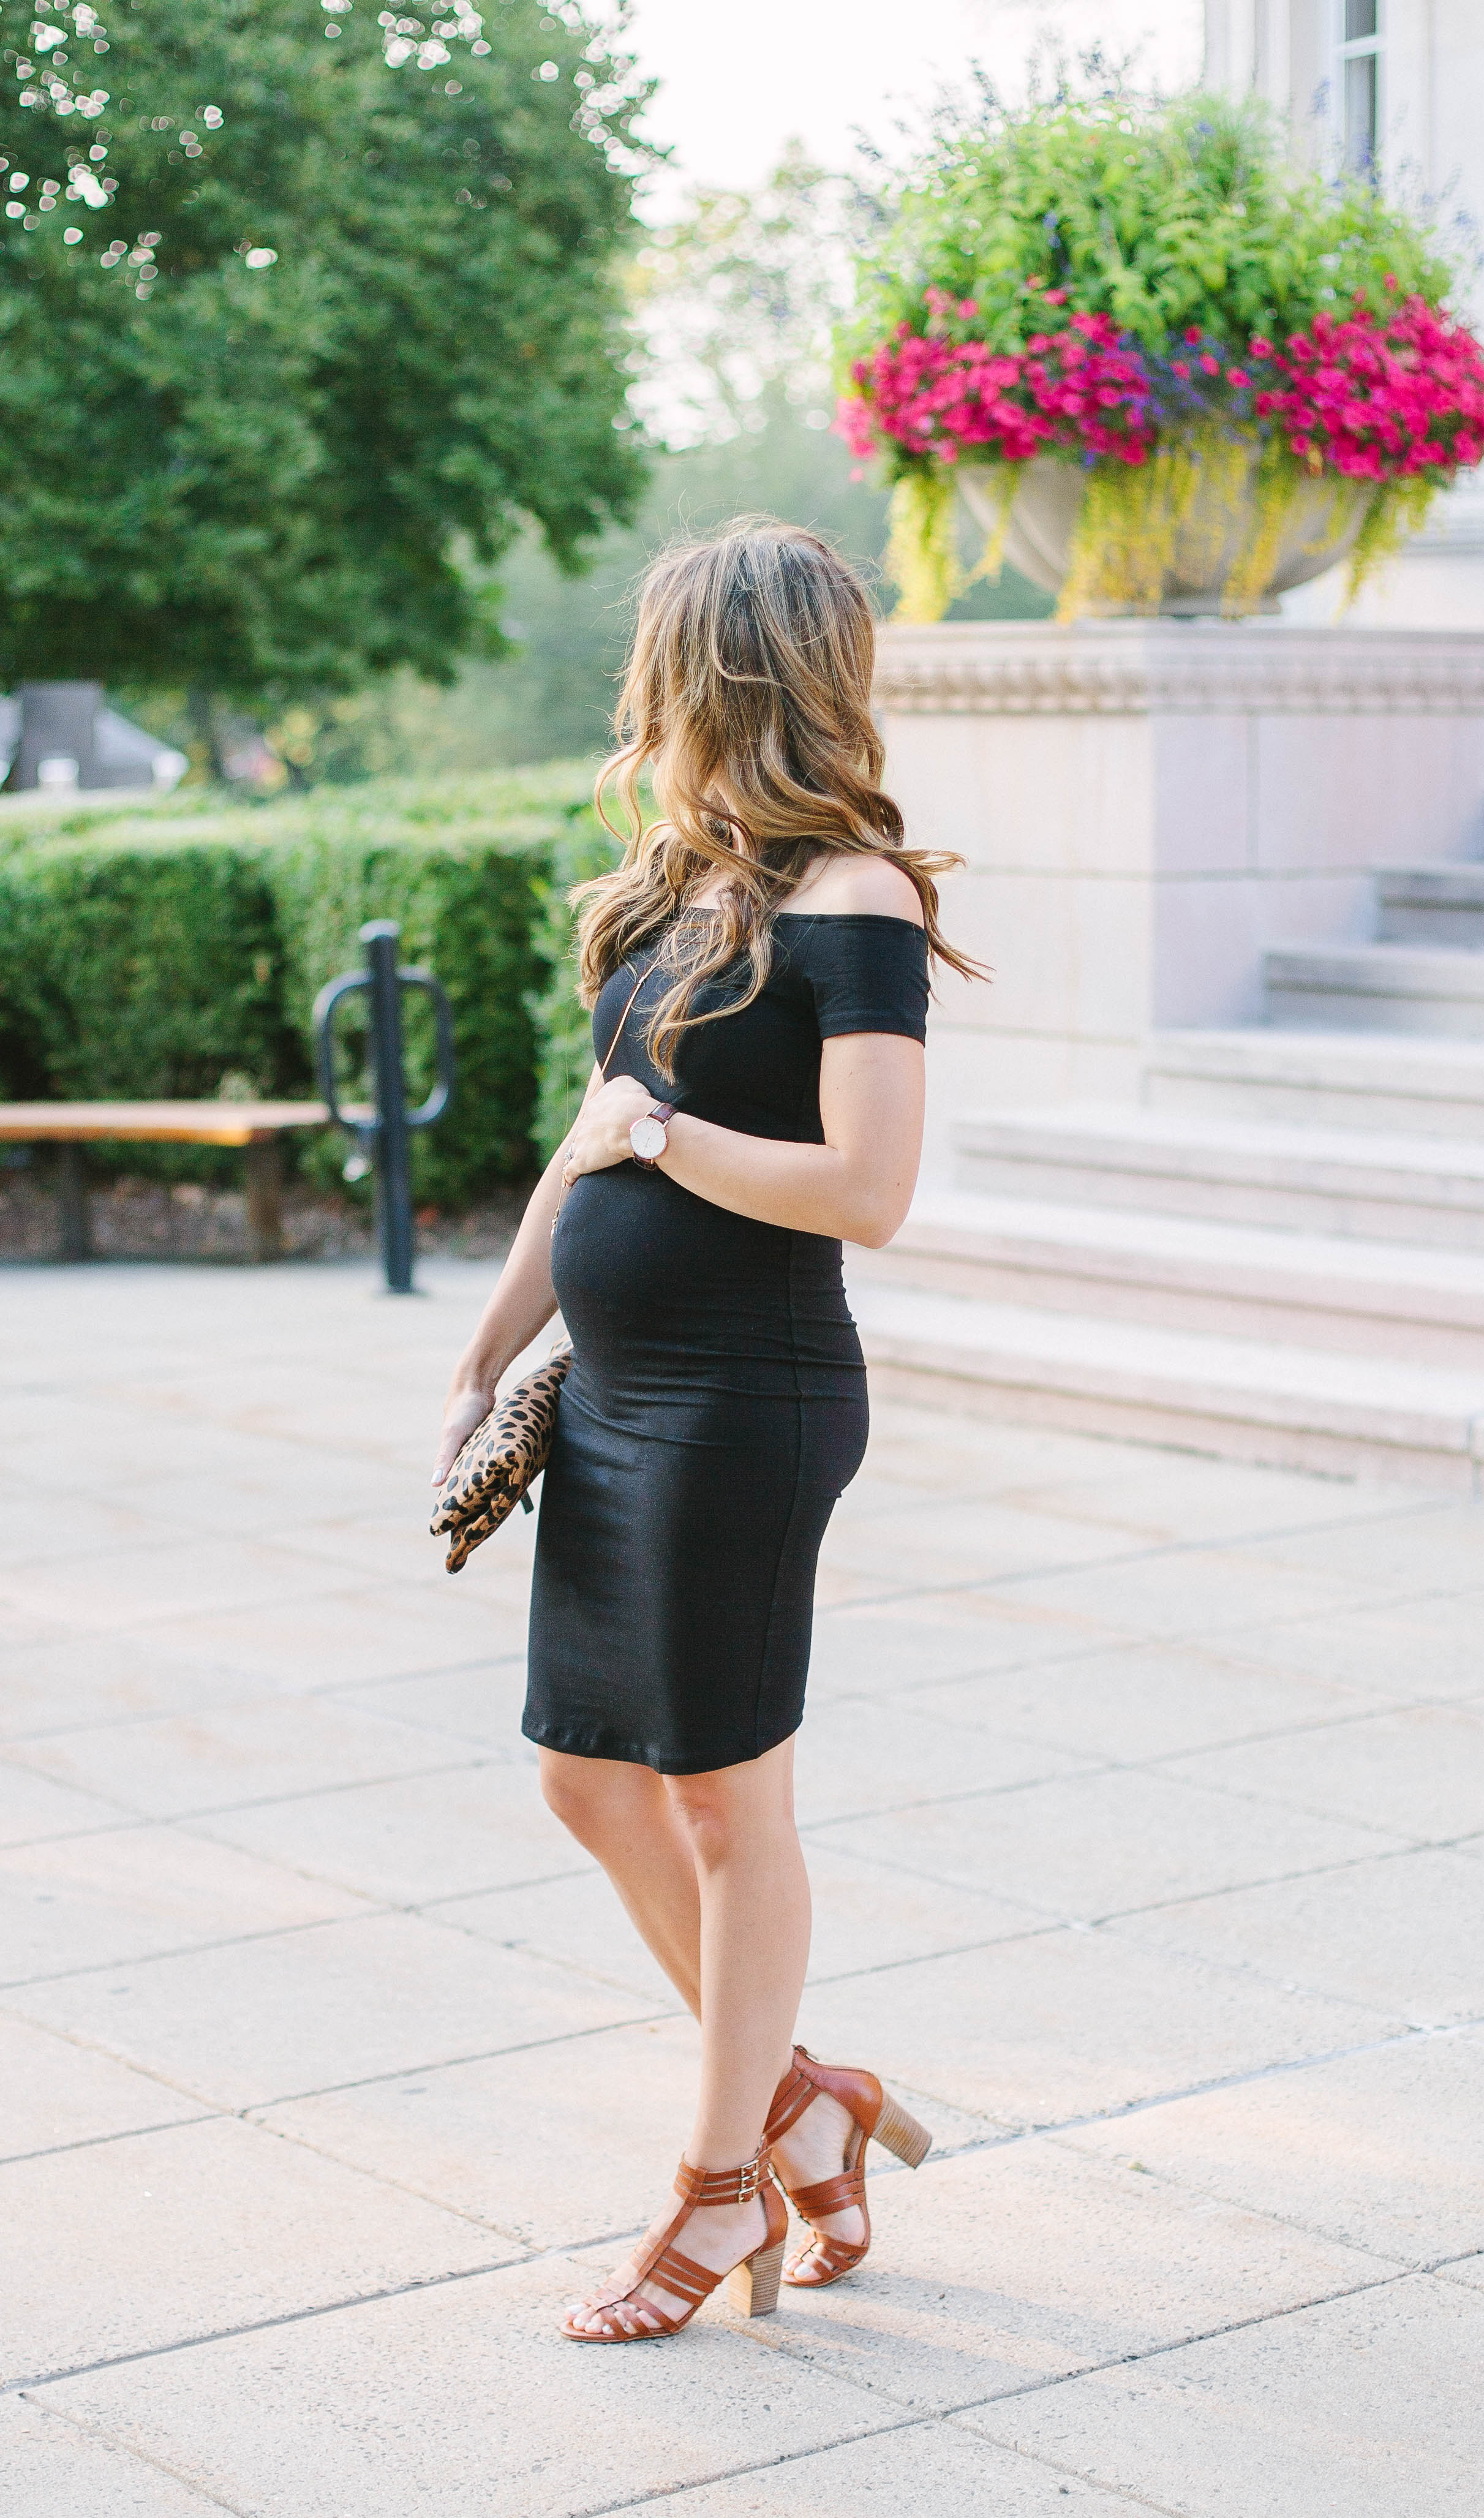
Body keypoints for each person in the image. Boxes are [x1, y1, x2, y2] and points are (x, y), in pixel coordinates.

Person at [433, 520, 981, 2343]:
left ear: (718, 679)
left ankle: (715, 2188)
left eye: (661, 667)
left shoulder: (855, 902)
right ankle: (803, 2099)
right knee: (588, 1777)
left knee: (732, 1813)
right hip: (616, 1397)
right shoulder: (675, 892)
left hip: (751, 1401)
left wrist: (667, 1144)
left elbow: (868, 1190)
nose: (639, 701)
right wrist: (488, 1349)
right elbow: (582, 1141)